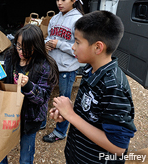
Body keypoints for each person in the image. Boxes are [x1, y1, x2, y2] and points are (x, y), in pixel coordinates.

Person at [50, 10, 137, 163]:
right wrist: (68, 111)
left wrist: (71, 115)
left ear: (98, 47)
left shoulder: (114, 87)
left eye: (77, 42)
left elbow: (118, 148)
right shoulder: (90, 70)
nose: (73, 48)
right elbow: (90, 115)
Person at [0, 24, 59, 164]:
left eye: (26, 48)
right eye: (18, 45)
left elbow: (43, 98)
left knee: (26, 156)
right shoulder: (10, 56)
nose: (21, 51)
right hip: (8, 113)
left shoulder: (45, 66)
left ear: (37, 46)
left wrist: (28, 85)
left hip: (30, 118)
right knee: (0, 148)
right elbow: (4, 81)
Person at [42, 0, 84, 142]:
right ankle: (41, 121)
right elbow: (49, 37)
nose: (59, 3)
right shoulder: (54, 18)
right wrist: (46, 42)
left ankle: (60, 132)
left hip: (68, 68)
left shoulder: (79, 20)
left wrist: (58, 45)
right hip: (52, 65)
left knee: (63, 100)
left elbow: (79, 48)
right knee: (44, 94)